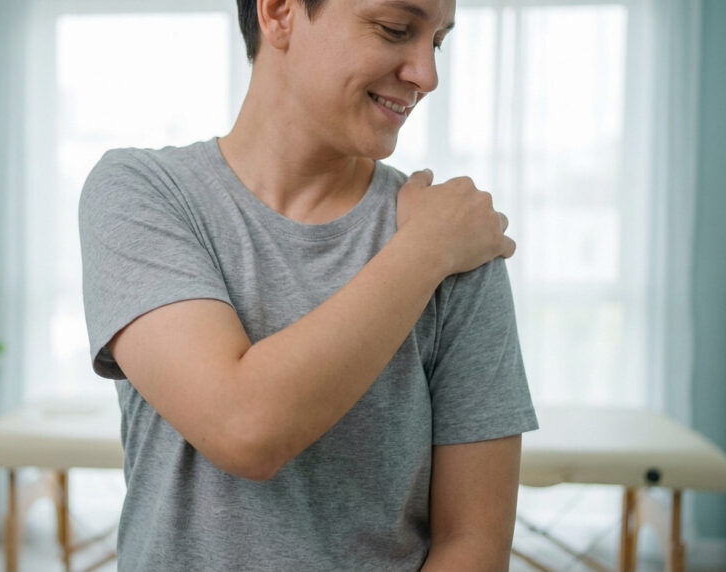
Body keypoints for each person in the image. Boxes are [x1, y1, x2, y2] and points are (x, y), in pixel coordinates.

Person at [78, 0, 538, 569]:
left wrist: (438, 245)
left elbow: (472, 541)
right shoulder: (143, 194)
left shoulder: (460, 241)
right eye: (396, 29)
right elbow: (243, 427)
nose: (427, 74)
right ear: (278, 14)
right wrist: (424, 252)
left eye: (437, 41)